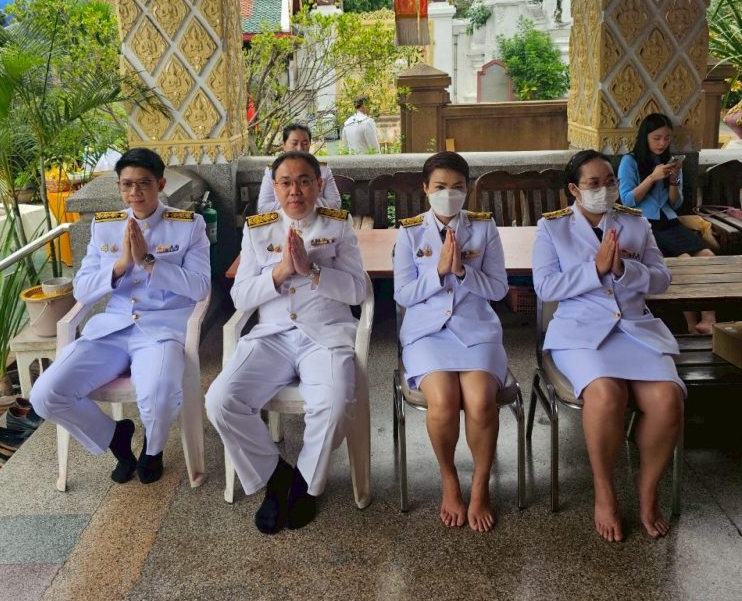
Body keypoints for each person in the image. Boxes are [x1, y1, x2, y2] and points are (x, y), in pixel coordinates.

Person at [206, 151, 367, 534]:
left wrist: (312, 270)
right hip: (272, 338)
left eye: (304, 181)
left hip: (325, 335)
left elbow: (358, 291)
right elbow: (240, 296)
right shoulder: (257, 229)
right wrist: (278, 273)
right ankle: (276, 476)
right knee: (220, 400)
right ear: (275, 187)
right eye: (286, 182)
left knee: (334, 404)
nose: (295, 190)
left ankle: (306, 484)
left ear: (318, 184)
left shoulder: (338, 225)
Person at [30, 148, 211, 485]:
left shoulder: (188, 226)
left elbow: (200, 287)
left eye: (144, 183)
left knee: (158, 395)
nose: (135, 192)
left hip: (161, 329)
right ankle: (115, 436)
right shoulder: (106, 226)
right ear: (119, 187)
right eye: (127, 184)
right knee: (45, 395)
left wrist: (149, 262)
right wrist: (122, 265)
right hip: (111, 329)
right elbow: (83, 290)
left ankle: (153, 450)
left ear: (160, 184)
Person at [533, 150, 685, 542]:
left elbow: (662, 279)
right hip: (581, 334)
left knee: (668, 399)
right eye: (594, 184)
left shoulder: (635, 222)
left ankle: (647, 488)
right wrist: (595, 269)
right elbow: (545, 287)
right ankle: (604, 491)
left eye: (610, 182)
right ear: (574, 189)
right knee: (605, 395)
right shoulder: (553, 227)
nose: (604, 189)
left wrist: (623, 269)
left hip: (635, 329)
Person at [393, 152, 508, 532]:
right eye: (440, 186)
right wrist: (438, 271)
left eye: (457, 187)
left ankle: (480, 485)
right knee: (442, 402)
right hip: (427, 333)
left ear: (468, 189)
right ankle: (449, 478)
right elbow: (403, 294)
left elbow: (499, 289)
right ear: (425, 189)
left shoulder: (484, 228)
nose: (449, 194)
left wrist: (462, 272)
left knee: (480, 400)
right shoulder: (409, 232)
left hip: (476, 330)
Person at [618, 113, 716, 335]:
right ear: (645, 137)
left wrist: (673, 180)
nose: (662, 143)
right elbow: (627, 200)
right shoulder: (630, 162)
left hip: (669, 221)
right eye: (657, 138)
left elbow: (675, 203)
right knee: (684, 260)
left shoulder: (670, 161)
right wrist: (653, 177)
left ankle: (708, 319)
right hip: (645, 224)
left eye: (667, 138)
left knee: (707, 256)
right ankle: (690, 325)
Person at [257, 122, 341, 212]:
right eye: (294, 143)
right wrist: (294, 203)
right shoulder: (272, 171)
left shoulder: (323, 169)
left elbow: (335, 204)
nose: (300, 148)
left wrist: (306, 200)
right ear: (284, 145)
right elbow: (263, 208)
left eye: (305, 143)